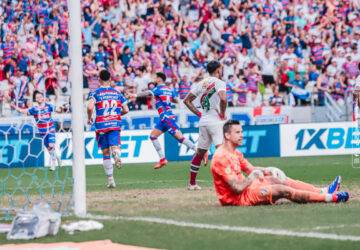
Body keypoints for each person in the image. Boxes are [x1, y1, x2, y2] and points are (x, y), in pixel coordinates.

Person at [211, 119, 349, 206]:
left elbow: (250, 169)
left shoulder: (235, 152)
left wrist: (269, 170)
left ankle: (323, 190)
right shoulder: (221, 157)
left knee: (276, 179)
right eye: (237, 132)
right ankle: (330, 198)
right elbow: (237, 188)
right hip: (238, 199)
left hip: (247, 188)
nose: (242, 135)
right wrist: (253, 177)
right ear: (227, 135)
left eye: (241, 131)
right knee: (282, 190)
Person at [129, 72, 197, 169]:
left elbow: (147, 93)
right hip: (164, 118)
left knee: (180, 138)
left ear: (158, 79)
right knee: (153, 136)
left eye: (155, 78)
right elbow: (176, 100)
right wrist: (166, 98)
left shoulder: (158, 88)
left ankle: (200, 151)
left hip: (167, 118)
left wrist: (134, 95)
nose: (154, 79)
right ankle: (162, 159)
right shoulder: (169, 89)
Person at [183, 60, 227, 190]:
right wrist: (223, 114)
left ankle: (192, 184)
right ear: (218, 70)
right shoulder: (220, 83)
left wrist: (199, 114)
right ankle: (224, 183)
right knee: (221, 152)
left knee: (200, 153)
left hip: (204, 121)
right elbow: (223, 99)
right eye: (221, 69)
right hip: (216, 121)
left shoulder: (201, 83)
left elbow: (186, 101)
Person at [87, 70, 129, 188]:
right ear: (110, 79)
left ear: (99, 80)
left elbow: (90, 107)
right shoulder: (117, 93)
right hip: (114, 123)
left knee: (105, 153)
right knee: (115, 146)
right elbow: (126, 110)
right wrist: (116, 114)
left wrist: (89, 118)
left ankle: (111, 181)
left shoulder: (95, 93)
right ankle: (116, 152)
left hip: (101, 125)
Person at [11, 91, 62, 171]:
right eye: (37, 97)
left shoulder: (48, 106)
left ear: (43, 98)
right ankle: (58, 157)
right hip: (42, 133)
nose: (39, 98)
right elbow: (22, 111)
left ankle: (53, 165)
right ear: (35, 99)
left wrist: (62, 108)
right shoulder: (34, 109)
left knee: (51, 146)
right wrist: (14, 106)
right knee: (49, 149)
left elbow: (58, 110)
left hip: (50, 130)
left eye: (40, 97)